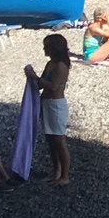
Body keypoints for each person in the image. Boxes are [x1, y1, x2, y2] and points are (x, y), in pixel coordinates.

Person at [33, 35, 74, 184]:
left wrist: (36, 78)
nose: (44, 49)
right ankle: (56, 171)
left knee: (59, 141)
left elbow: (54, 86)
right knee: (50, 140)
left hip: (56, 105)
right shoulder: (51, 63)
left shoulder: (60, 66)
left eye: (47, 46)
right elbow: (43, 84)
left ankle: (65, 175)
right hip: (47, 103)